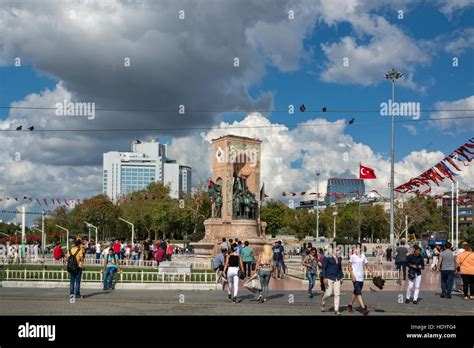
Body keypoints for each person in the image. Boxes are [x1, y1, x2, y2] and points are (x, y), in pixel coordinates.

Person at [347, 247, 373, 315]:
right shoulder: (352, 256)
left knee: (356, 292)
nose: (355, 249)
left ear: (360, 249)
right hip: (355, 277)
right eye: (355, 248)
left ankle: (349, 305)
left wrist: (373, 273)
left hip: (361, 278)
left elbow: (367, 266)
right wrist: (352, 275)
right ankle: (363, 308)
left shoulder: (363, 256)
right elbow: (349, 267)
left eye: (357, 248)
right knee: (359, 293)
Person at [321, 246, 344, 315]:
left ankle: (336, 310)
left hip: (337, 277)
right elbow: (324, 268)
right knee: (328, 293)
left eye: (339, 250)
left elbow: (340, 268)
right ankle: (323, 301)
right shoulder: (327, 257)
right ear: (333, 250)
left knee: (337, 293)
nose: (338, 251)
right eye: (336, 250)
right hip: (329, 277)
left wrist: (341, 277)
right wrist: (324, 277)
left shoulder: (340, 258)